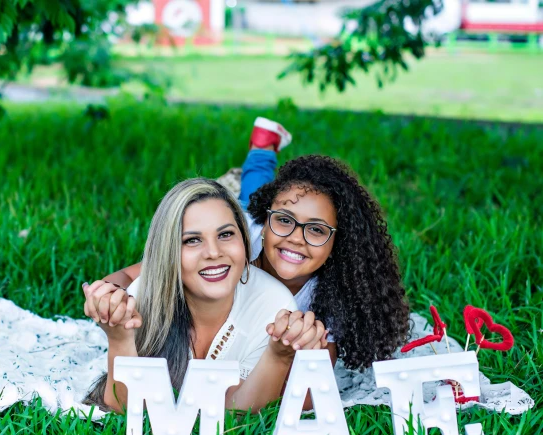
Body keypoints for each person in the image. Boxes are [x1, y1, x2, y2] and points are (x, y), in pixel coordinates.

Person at [87, 118, 409, 376]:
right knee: (254, 187)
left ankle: (263, 145)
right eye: (283, 221)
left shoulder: (334, 298)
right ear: (268, 220)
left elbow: (313, 384)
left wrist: (300, 349)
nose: (296, 237)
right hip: (248, 218)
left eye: (316, 230)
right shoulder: (240, 238)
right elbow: (135, 275)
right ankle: (262, 146)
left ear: (338, 243)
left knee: (262, 190)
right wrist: (108, 296)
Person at [82, 178, 313, 413]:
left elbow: (240, 415)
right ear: (168, 253)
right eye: (192, 240)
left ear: (244, 241)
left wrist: (278, 356)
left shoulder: (273, 305)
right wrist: (119, 339)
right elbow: (124, 409)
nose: (213, 252)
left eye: (225, 235)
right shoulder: (141, 298)